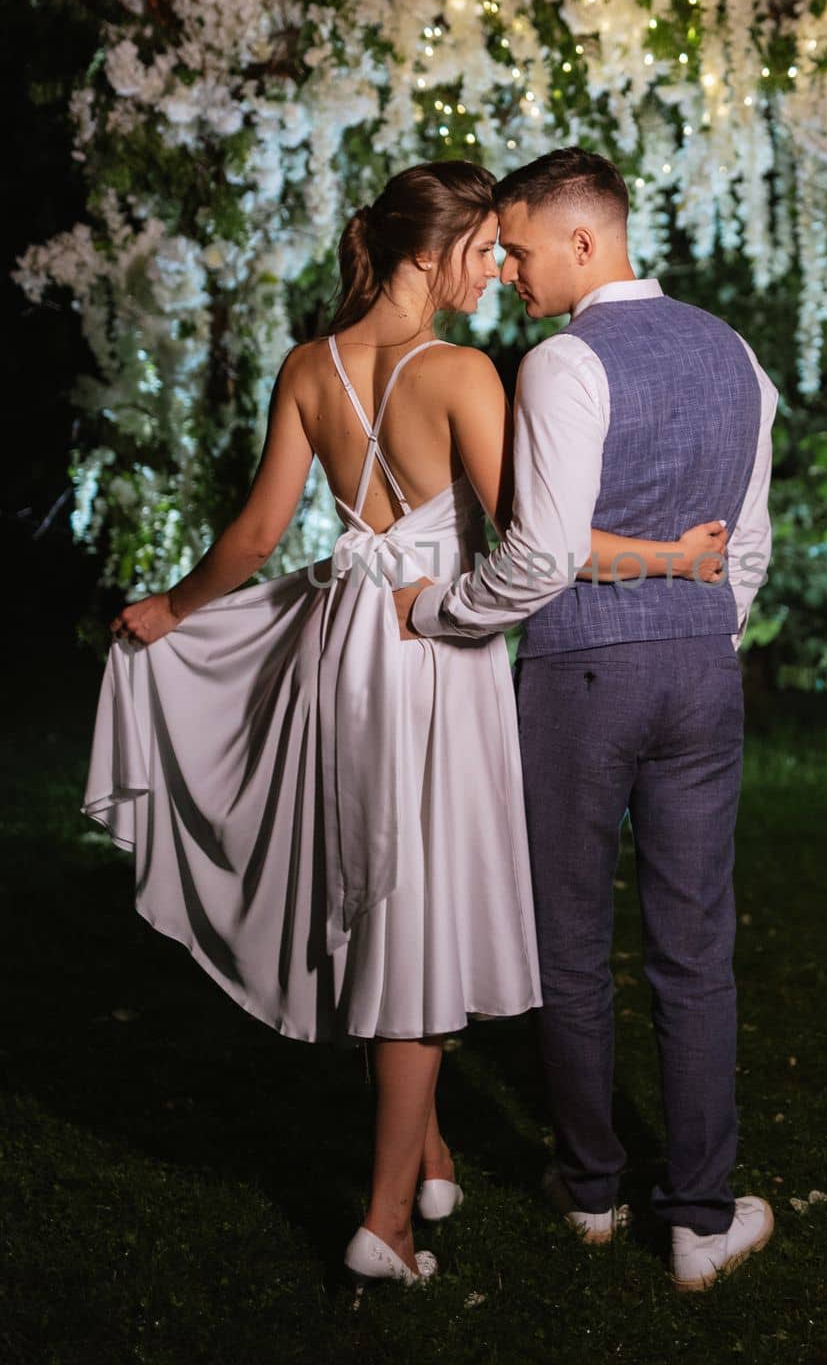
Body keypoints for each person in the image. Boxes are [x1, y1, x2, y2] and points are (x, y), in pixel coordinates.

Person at [83, 159, 729, 1290]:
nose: (496, 267)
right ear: (428, 256)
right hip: (437, 653)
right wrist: (669, 558)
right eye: (483, 249)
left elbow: (252, 537)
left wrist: (169, 611)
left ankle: (430, 1156)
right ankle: (386, 1221)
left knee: (388, 883)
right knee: (418, 914)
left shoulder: (308, 366)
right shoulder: (464, 373)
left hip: (347, 648)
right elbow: (543, 544)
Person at [396, 147, 779, 1292]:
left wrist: (446, 610)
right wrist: (701, 625)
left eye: (514, 247)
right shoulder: (736, 352)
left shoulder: (562, 362)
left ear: (581, 238)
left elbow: (546, 552)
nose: (505, 268)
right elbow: (748, 543)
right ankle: (702, 1220)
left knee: (570, 941)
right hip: (704, 669)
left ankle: (595, 1189)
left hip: (579, 678)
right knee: (695, 945)